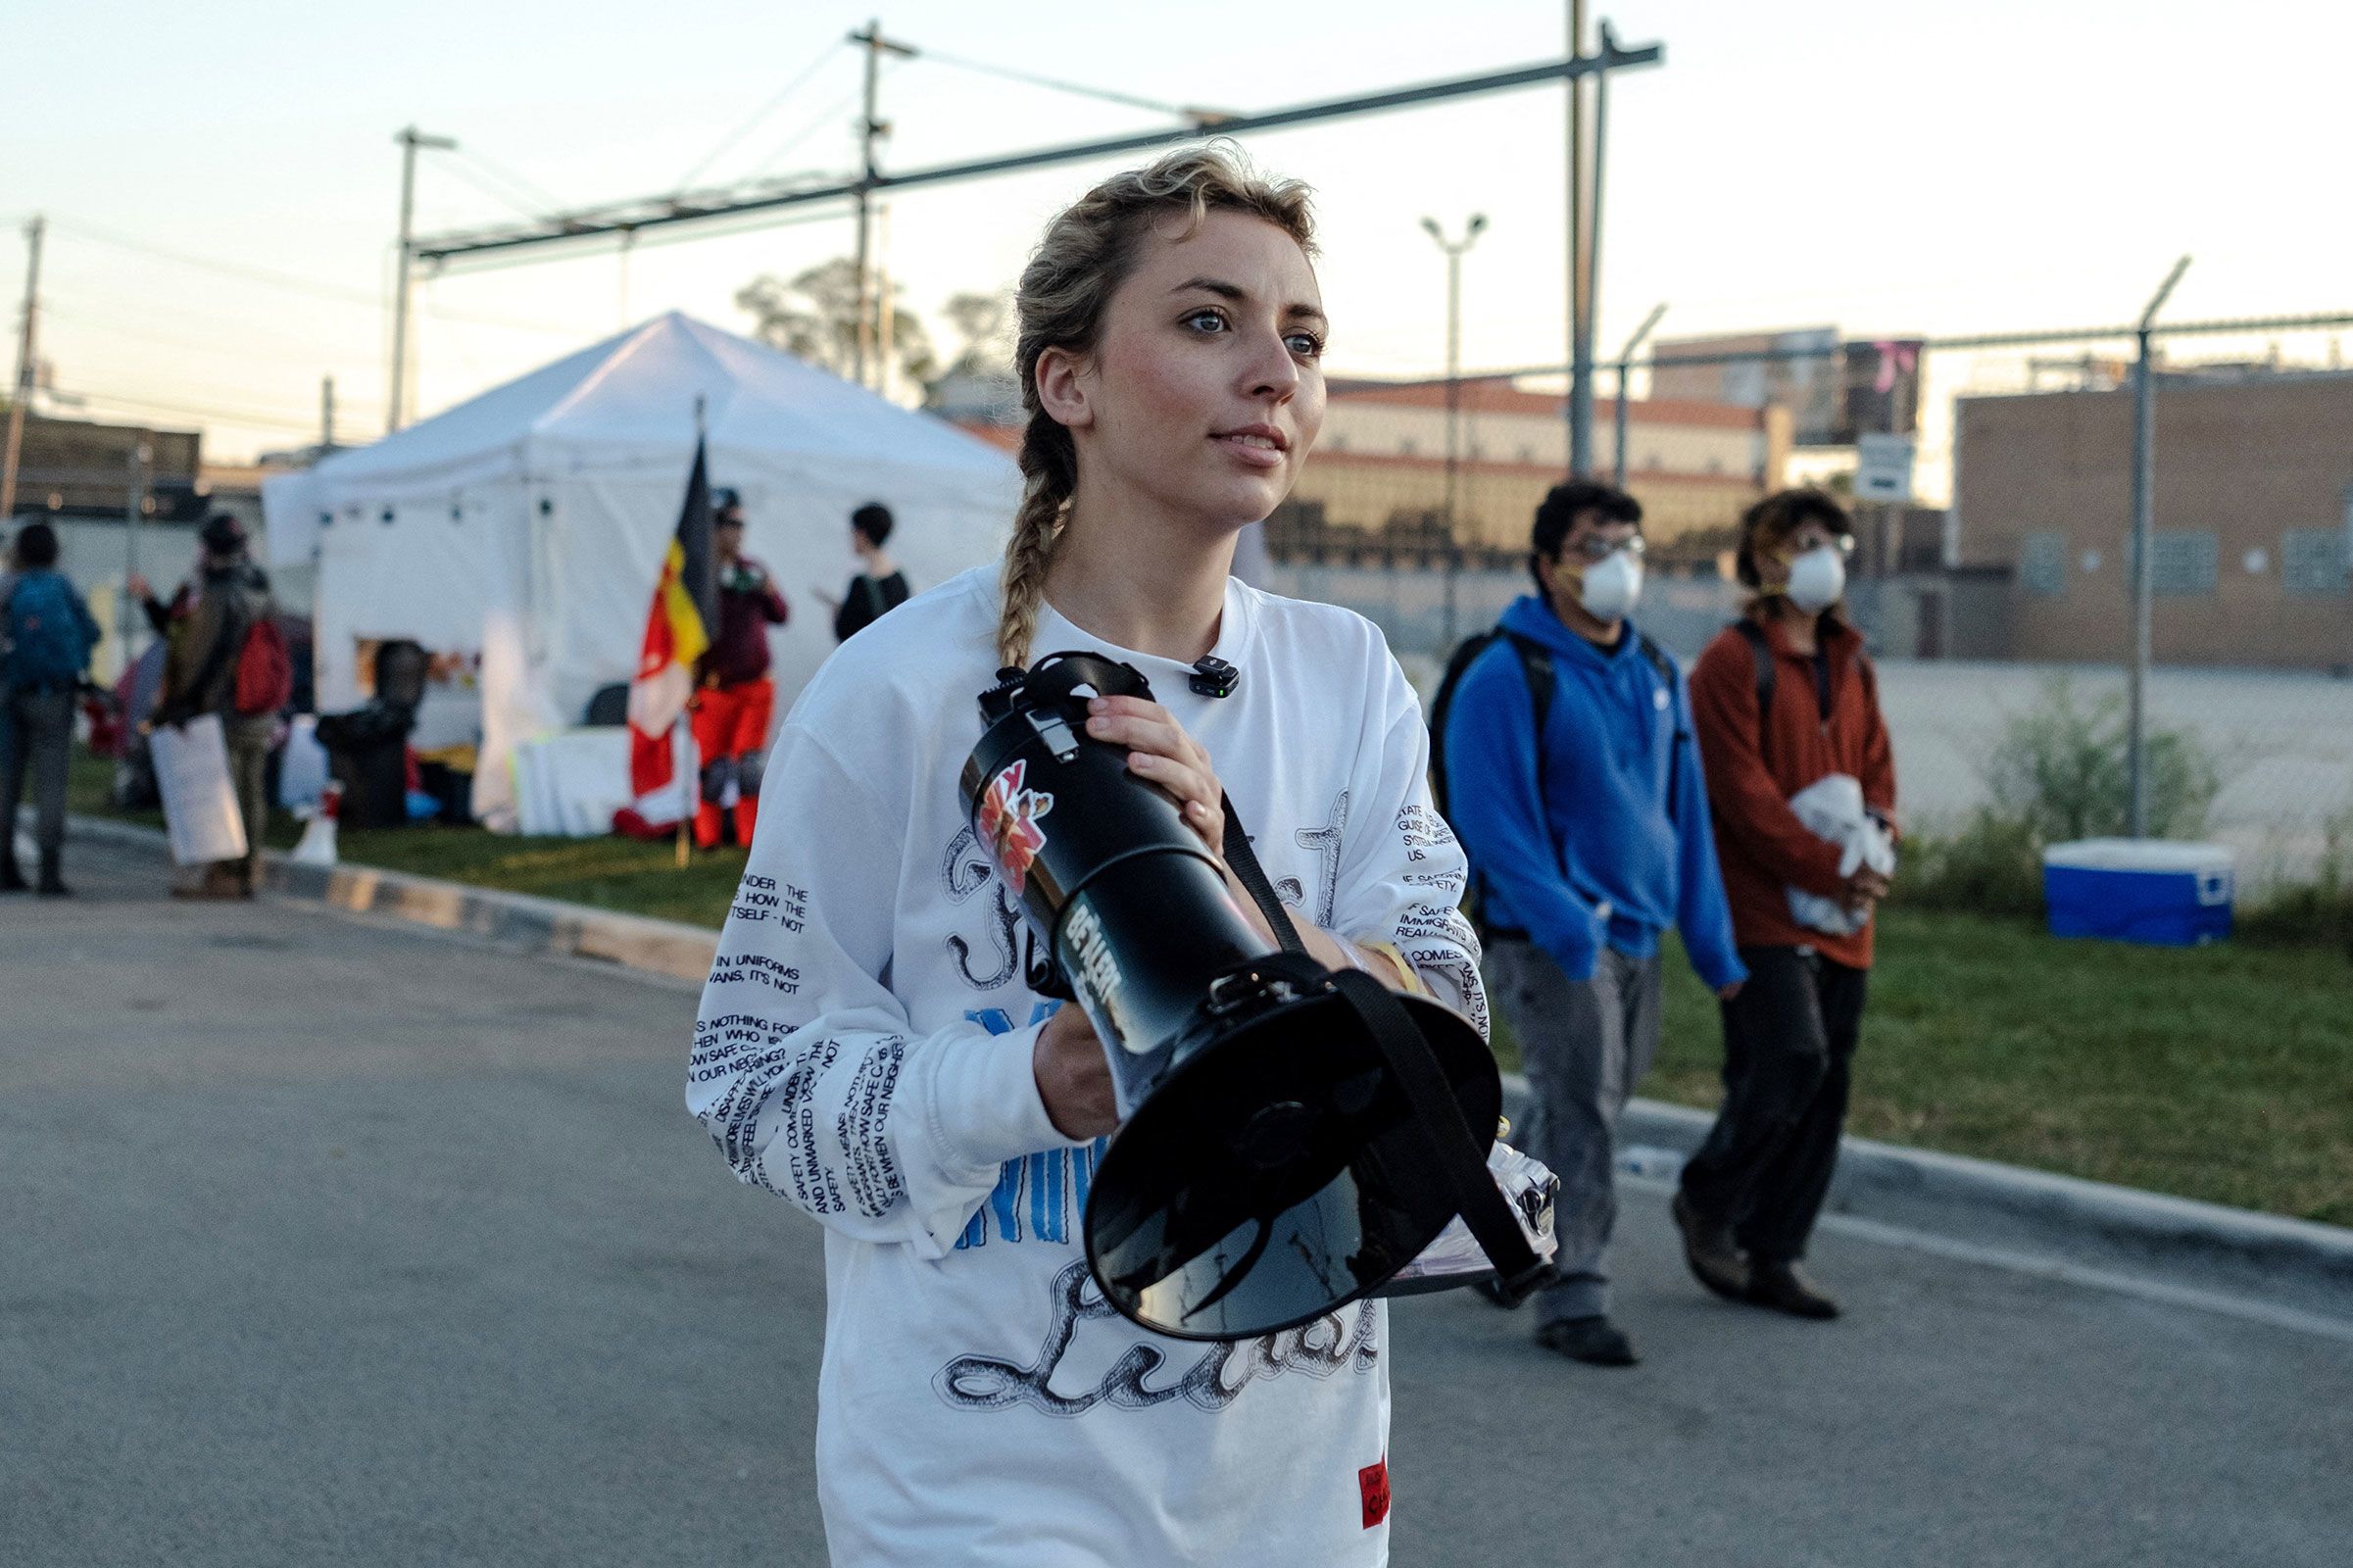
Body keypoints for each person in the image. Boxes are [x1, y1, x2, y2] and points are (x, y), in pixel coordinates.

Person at [685, 147, 1486, 1565]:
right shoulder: (896, 694)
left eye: (1301, 339)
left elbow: (1450, 1016)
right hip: (981, 1491)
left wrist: (1253, 909)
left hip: (1293, 1490)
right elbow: (751, 1086)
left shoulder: (1348, 677)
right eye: (1206, 320)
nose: (1273, 373)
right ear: (1070, 384)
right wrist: (1030, 1085)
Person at [1440, 480, 1744, 1367]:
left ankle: (1498, 1240)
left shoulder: (1653, 672)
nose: (1616, 564)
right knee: (1583, 1112)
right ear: (1547, 565)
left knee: (1590, 1099)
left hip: (1640, 933)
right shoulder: (1506, 672)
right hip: (1552, 937)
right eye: (1592, 546)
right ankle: (1574, 1293)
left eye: (1628, 545)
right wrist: (1568, 927)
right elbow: (1491, 825)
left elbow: (1682, 809)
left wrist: (1711, 939)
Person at [1674, 488, 1895, 1321]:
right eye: (1804, 540)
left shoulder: (1852, 660)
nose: (1825, 554)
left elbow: (1877, 769)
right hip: (1761, 909)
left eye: (1831, 539)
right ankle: (1707, 1196)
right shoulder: (1733, 662)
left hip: (1844, 913)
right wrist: (1827, 866)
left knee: (1827, 1082)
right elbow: (1742, 796)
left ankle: (1776, 1252)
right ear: (1764, 559)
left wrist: (1877, 851)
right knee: (1785, 1061)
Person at [154, 513, 276, 899]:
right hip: (260, 703)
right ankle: (248, 869)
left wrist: (176, 704)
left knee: (225, 793)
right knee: (252, 790)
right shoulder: (261, 588)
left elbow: (197, 658)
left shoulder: (217, 595)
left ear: (209, 549)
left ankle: (226, 874)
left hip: (225, 705)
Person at [1, 523, 102, 896]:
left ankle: (4, 868)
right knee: (51, 783)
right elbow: (91, 631)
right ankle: (49, 872)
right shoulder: (64, 587)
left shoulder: (8, 586)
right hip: (54, 697)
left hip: (9, 695)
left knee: (6, 783)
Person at [691, 492, 789, 850]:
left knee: (749, 767)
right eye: (730, 525)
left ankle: (751, 840)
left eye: (740, 525)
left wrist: (767, 590)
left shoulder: (752, 570)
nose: (737, 533)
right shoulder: (700, 575)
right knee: (713, 769)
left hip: (755, 685)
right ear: (715, 529)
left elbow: (780, 614)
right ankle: (708, 839)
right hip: (714, 687)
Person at [823, 502, 912, 643]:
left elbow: (846, 635)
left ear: (862, 534)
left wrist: (838, 614)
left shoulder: (860, 583)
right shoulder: (900, 578)